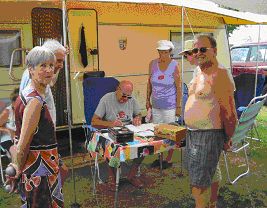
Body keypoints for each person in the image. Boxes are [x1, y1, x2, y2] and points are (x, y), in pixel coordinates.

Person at [184, 34, 237, 208]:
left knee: (198, 185)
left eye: (203, 49)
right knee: (211, 172)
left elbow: (229, 113)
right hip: (195, 133)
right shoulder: (199, 70)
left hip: (208, 134)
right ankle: (212, 204)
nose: (198, 53)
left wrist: (227, 137)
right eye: (195, 50)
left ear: (214, 50)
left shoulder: (220, 74)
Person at [6, 46, 64, 207]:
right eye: (43, 66)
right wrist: (16, 168)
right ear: (31, 69)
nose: (49, 70)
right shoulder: (35, 102)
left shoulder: (26, 93)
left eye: (51, 66)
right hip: (40, 169)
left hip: (39, 166)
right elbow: (23, 144)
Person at [91, 80, 144, 188]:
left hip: (128, 130)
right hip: (110, 131)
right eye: (123, 95)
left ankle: (132, 175)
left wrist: (137, 118)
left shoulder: (131, 99)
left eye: (128, 97)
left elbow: (138, 114)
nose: (125, 99)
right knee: (110, 146)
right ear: (117, 89)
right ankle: (112, 176)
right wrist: (110, 123)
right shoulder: (106, 99)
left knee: (144, 146)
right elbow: (94, 122)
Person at [146, 40, 182, 169]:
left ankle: (168, 159)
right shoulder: (152, 64)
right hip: (156, 104)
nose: (163, 55)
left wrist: (178, 106)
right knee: (158, 132)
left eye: (165, 52)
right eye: (160, 52)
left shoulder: (174, 65)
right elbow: (149, 83)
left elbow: (178, 87)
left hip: (170, 105)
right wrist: (147, 101)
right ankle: (159, 157)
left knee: (170, 133)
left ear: (170, 52)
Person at [19, 39, 66, 126]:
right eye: (58, 61)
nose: (61, 66)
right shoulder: (33, 84)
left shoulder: (40, 79)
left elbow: (51, 82)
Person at [0, 88, 19, 157]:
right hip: (9, 139)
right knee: (17, 154)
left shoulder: (27, 109)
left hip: (22, 138)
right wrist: (8, 130)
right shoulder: (8, 111)